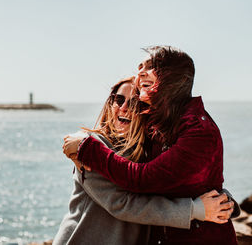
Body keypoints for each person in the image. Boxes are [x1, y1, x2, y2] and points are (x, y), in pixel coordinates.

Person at [63, 46, 238, 244]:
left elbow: (145, 179)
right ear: (109, 103)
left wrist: (86, 148)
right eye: (118, 99)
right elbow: (124, 202)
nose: (125, 108)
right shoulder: (157, 127)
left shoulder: (194, 130)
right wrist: (83, 141)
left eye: (135, 102)